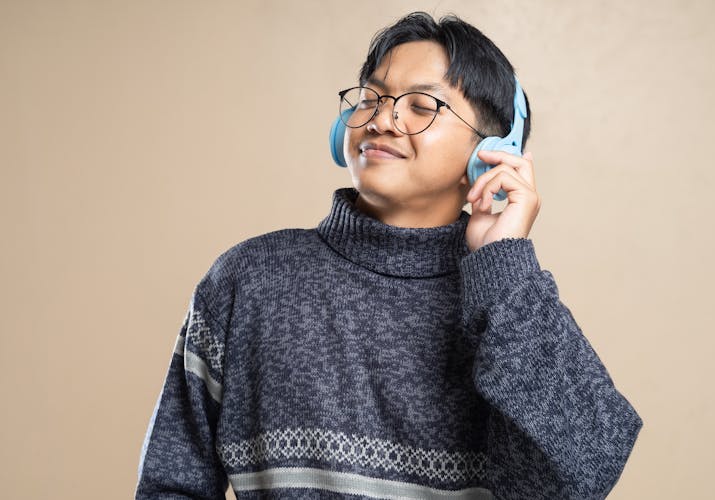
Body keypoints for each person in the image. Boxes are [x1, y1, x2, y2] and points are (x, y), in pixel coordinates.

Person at [135, 11, 643, 500]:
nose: (382, 119)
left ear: (488, 152)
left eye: (422, 106)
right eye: (371, 98)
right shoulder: (246, 279)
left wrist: (504, 262)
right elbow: (170, 484)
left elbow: (579, 475)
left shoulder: (508, 300)